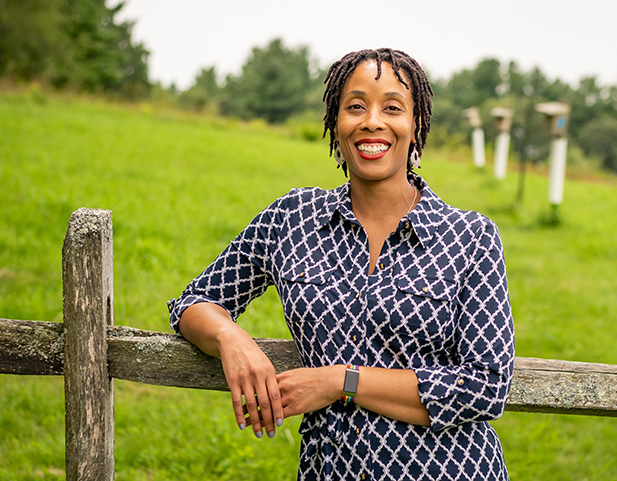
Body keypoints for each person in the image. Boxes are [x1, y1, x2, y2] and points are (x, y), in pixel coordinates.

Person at [168, 48, 515, 480]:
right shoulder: (293, 218)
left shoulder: (470, 238)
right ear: (336, 123)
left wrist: (341, 381)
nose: (372, 120)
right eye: (355, 106)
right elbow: (193, 302)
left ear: (417, 124)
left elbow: (486, 386)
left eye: (392, 107)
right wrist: (230, 337)